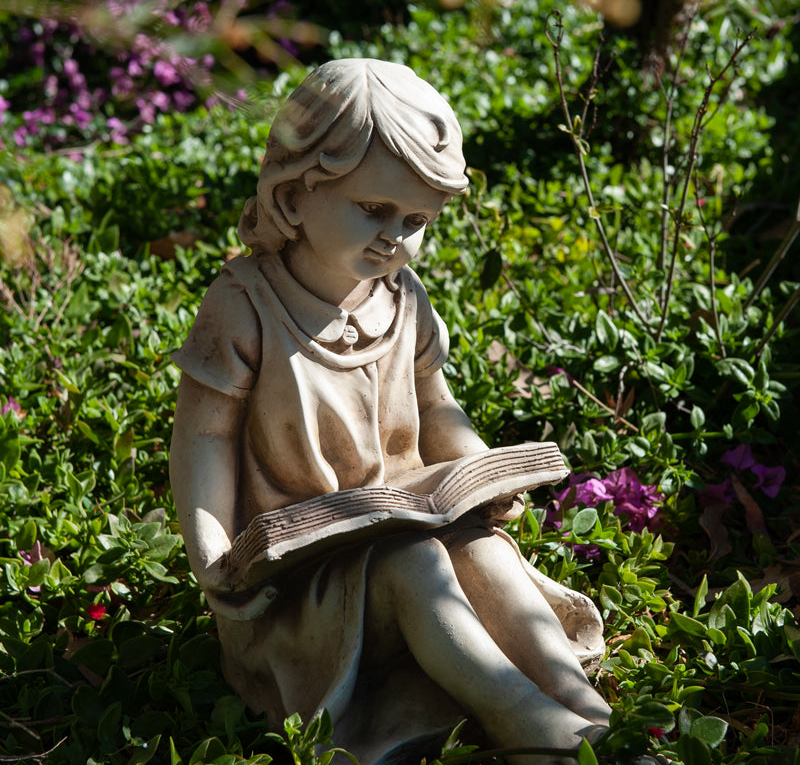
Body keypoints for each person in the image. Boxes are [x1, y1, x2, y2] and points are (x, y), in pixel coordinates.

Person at [170, 58, 611, 765]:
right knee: (415, 567)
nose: (394, 237)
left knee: (484, 553)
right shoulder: (245, 307)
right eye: (373, 210)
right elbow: (203, 438)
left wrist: (478, 475)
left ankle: (583, 711)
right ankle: (526, 722)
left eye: (416, 220)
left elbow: (437, 407)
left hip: (407, 524)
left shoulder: (404, 301)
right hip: (293, 589)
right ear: (294, 193)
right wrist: (213, 557)